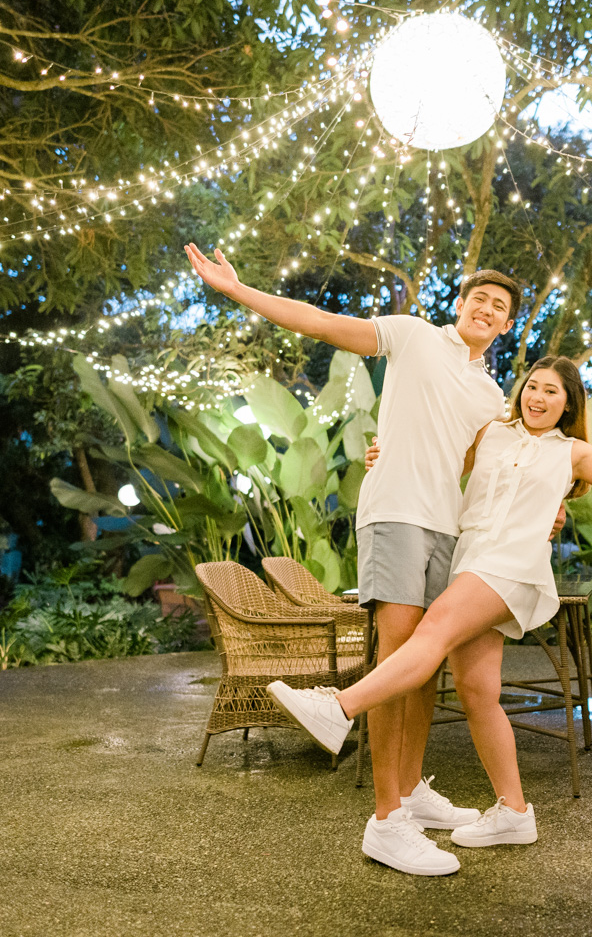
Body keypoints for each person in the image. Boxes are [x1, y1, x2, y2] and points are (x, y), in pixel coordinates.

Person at [269, 356, 592, 867]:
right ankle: (514, 812)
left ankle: (339, 707)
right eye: (533, 386)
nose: (538, 397)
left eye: (552, 392)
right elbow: (435, 461)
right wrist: (385, 457)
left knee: (430, 634)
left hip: (511, 566)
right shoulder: (490, 433)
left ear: (568, 405)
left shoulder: (573, 453)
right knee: (476, 691)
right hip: (469, 561)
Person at [183, 243, 538, 877]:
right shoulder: (412, 336)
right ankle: (386, 821)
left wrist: (553, 507)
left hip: (449, 529)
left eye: (499, 307)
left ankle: (411, 791)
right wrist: (238, 290)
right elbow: (320, 323)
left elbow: (498, 468)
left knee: (422, 667)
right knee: (396, 657)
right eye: (479, 298)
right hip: (397, 513)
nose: (486, 309)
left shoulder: (490, 396)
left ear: (508, 325)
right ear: (461, 305)